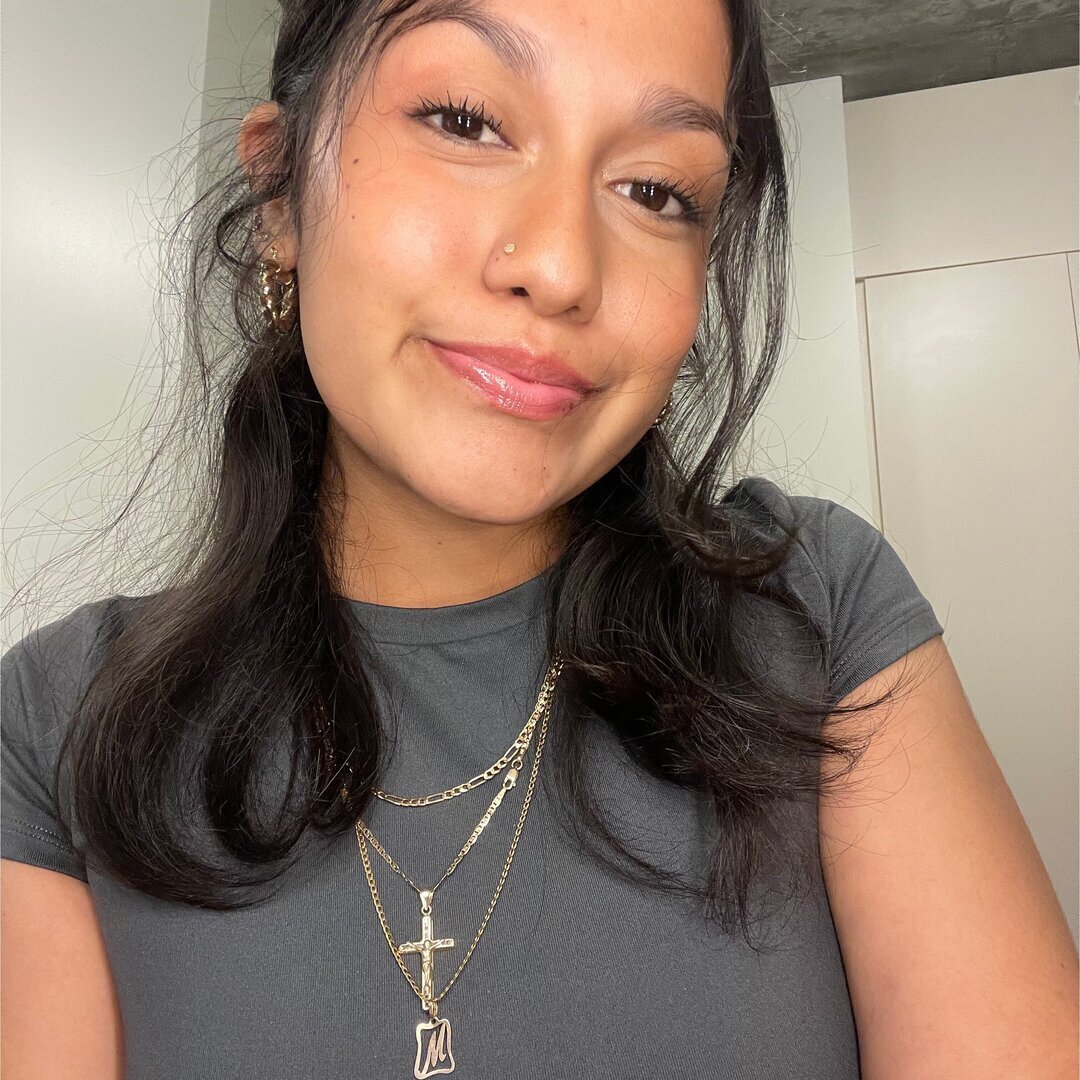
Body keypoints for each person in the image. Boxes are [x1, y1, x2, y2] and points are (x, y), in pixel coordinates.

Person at [3, 0, 1077, 1077]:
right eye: (465, 121)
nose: (563, 267)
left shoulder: (818, 617)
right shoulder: (55, 728)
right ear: (282, 191)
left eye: (657, 191)